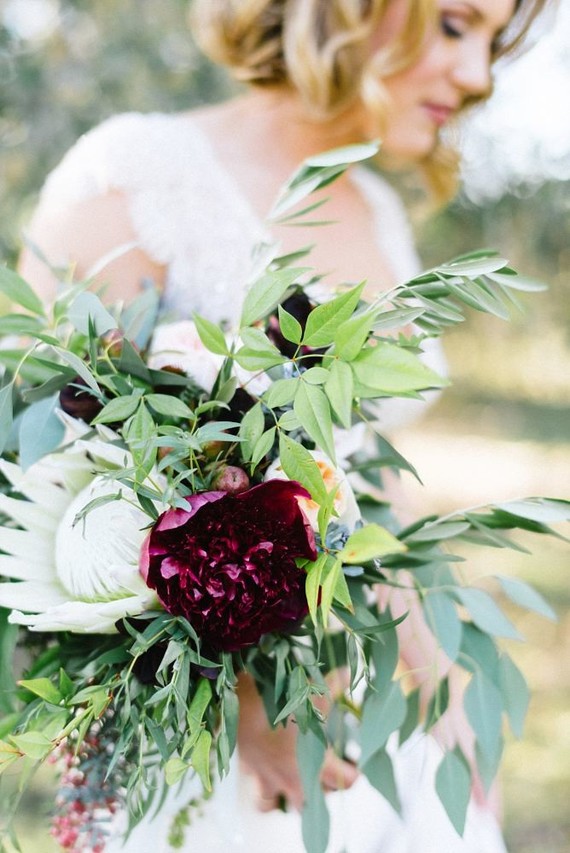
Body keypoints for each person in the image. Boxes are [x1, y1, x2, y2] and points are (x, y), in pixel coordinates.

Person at [18, 1, 548, 850]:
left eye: (493, 41)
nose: (479, 75)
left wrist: (440, 685)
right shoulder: (135, 174)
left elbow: (367, 485)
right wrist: (252, 708)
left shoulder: (376, 207)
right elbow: (47, 482)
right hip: (215, 750)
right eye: (455, 25)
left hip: (383, 726)